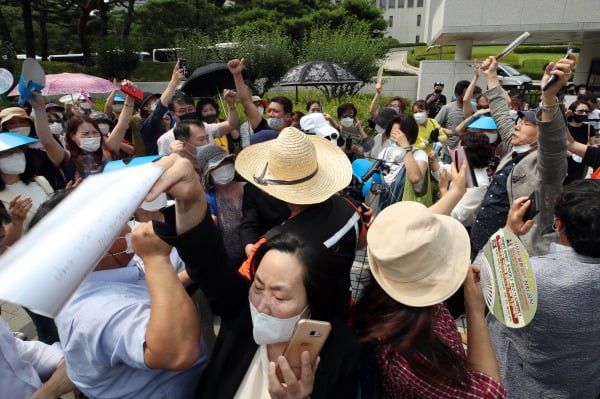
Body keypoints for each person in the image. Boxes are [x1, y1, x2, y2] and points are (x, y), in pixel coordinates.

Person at [145, 154, 363, 398]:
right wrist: (190, 198)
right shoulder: (242, 312)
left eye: (280, 297)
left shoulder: (342, 356)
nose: (261, 306)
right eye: (258, 287)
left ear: (312, 298)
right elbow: (207, 261)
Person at [34, 178, 208, 398]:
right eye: (118, 220)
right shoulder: (99, 311)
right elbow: (178, 352)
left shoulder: (109, 271)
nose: (130, 224)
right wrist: (156, 258)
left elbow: (162, 283)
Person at [353, 200, 505, 398]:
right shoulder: (410, 354)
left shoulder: (386, 304)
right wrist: (474, 310)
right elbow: (490, 394)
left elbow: (410, 236)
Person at [235, 127, 368, 317]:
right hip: (343, 311)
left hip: (302, 332)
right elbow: (361, 242)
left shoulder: (273, 245)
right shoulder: (350, 209)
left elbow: (239, 292)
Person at [486, 180, 600, 398]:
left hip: (526, 386)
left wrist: (509, 230)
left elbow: (485, 274)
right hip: (587, 385)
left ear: (559, 225)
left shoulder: (532, 276)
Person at [469, 53, 575, 258]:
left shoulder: (548, 166)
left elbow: (553, 141)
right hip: (482, 243)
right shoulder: (514, 150)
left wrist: (548, 98)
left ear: (540, 135)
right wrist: (491, 76)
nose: (517, 126)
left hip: (516, 255)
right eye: (520, 121)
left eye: (527, 124)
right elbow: (500, 113)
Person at [63, 84, 136, 180]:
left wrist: (130, 98)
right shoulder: (68, 156)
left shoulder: (108, 148)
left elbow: (122, 125)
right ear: (73, 136)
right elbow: (47, 140)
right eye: (85, 134)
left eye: (95, 132)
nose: (91, 136)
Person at [1, 95, 67, 190]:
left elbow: (50, 144)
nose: (19, 126)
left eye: (23, 121)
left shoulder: (44, 143)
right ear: (4, 128)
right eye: (12, 123)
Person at [197, 144, 246, 268]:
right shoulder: (207, 200)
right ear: (208, 175)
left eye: (225, 163)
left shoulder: (249, 188)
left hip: (257, 256)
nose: (222, 169)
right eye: (216, 168)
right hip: (229, 264)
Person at [156, 89, 239, 155]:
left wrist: (231, 105)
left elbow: (231, 125)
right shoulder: (165, 140)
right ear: (173, 113)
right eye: (182, 111)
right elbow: (164, 167)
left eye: (190, 109)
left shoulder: (206, 127)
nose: (187, 113)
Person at [377, 115, 431, 210]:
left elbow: (415, 178)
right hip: (384, 209)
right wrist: (375, 187)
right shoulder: (385, 152)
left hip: (407, 211)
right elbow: (378, 179)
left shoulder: (419, 155)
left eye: (397, 135)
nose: (393, 139)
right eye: (391, 134)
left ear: (409, 135)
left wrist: (405, 147)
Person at [228, 59, 294, 135]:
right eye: (269, 111)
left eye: (275, 111)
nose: (270, 114)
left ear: (288, 116)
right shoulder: (262, 128)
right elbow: (247, 102)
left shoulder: (296, 135)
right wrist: (237, 75)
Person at [139, 61, 185, 155]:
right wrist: (174, 82)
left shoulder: (166, 119)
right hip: (156, 162)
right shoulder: (145, 124)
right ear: (145, 108)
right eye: (154, 101)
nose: (157, 101)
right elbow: (160, 108)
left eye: (157, 99)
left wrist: (167, 127)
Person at [435, 80, 473, 161]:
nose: (467, 97)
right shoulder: (447, 108)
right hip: (449, 153)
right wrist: (444, 130)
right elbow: (434, 124)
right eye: (464, 95)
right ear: (457, 95)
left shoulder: (475, 108)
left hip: (468, 152)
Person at [564, 100, 593, 184]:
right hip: (562, 161)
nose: (584, 114)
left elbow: (592, 145)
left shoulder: (589, 128)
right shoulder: (564, 126)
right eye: (581, 111)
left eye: (586, 112)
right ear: (572, 112)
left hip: (579, 163)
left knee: (575, 185)